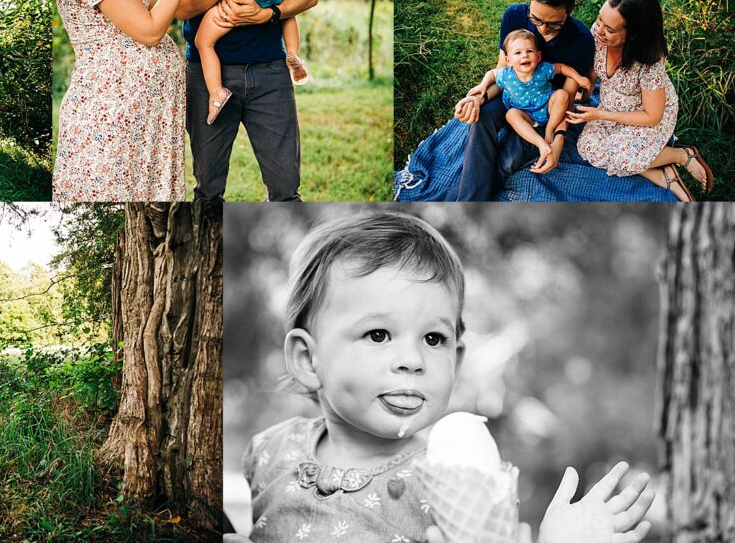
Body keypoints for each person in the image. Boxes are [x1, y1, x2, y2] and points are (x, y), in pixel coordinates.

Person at [227, 210, 656, 543]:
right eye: (378, 334)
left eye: (434, 338)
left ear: (458, 356)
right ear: (307, 359)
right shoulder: (268, 449)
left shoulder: (457, 475)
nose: (413, 359)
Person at [179, 0, 320, 201]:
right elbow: (179, 7)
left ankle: (290, 56)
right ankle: (294, 55)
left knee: (285, 193)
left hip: (270, 71)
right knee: (208, 191)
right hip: (205, 77)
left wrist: (270, 14)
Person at [453, 0, 594, 199]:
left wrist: (558, 138)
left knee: (507, 160)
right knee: (481, 119)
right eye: (536, 19)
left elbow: (565, 99)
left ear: (570, 10)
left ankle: (465, 200)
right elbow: (502, 76)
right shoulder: (514, 16)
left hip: (546, 111)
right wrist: (479, 98)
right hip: (512, 96)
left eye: (554, 23)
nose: (544, 29)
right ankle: (467, 201)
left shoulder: (582, 41)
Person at [567, 0, 713, 202]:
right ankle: (661, 172)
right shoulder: (598, 35)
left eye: (609, 29)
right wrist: (586, 92)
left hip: (647, 116)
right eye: (599, 20)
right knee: (587, 148)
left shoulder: (649, 63)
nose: (599, 30)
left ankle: (681, 155)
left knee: (621, 156)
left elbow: (651, 116)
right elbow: (592, 70)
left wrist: (600, 115)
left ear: (633, 34)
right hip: (611, 105)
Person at [54, 0, 190, 202]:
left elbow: (144, 9)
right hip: (115, 107)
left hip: (131, 110)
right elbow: (151, 31)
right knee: (114, 189)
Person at [193, 0, 310, 125]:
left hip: (239, 2)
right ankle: (294, 54)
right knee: (286, 12)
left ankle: (216, 94)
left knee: (203, 42)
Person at [473, 29, 592, 170]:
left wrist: (578, 78)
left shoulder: (543, 70)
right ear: (508, 60)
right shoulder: (506, 75)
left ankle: (549, 129)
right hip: (526, 115)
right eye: (518, 53)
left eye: (529, 51)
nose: (524, 56)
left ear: (538, 56)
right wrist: (482, 85)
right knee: (511, 114)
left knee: (562, 95)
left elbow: (561, 67)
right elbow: (492, 74)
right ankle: (540, 143)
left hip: (548, 109)